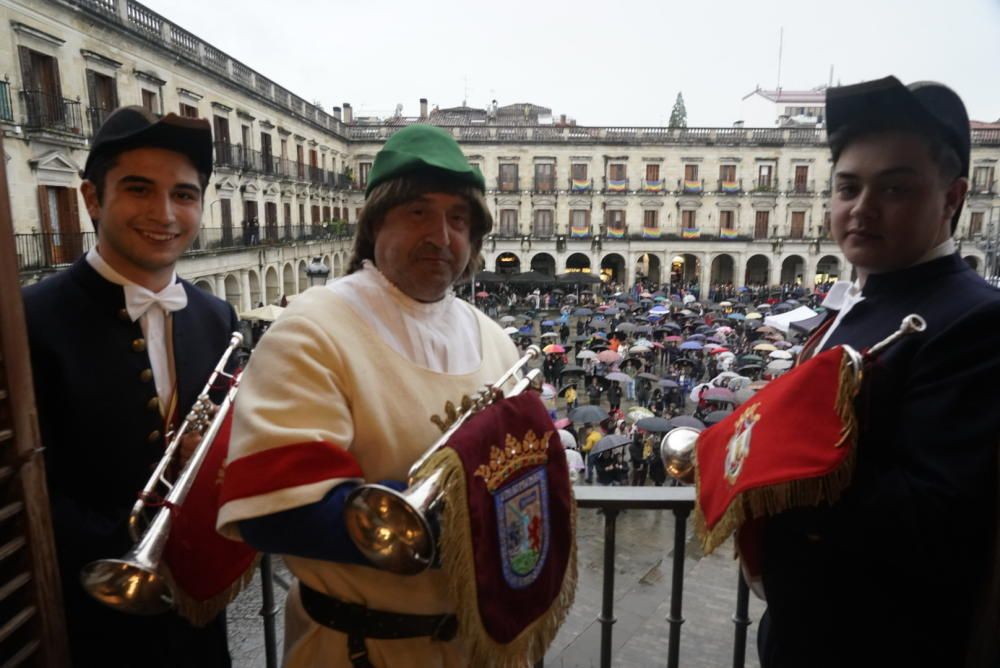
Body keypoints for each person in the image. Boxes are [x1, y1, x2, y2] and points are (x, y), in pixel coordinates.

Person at [216, 124, 521, 667]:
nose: (441, 235)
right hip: (358, 650)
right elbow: (274, 511)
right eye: (418, 213)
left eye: (459, 218)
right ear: (376, 221)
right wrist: (456, 525)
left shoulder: (492, 337)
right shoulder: (313, 328)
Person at [756, 76, 1000, 668]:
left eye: (894, 188)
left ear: (952, 198)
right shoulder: (859, 305)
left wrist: (771, 460)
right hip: (803, 634)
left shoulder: (975, 321)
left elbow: (936, 517)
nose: (861, 209)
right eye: (848, 187)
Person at [22, 106, 237, 666]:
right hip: (88, 619)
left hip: (195, 614)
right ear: (93, 198)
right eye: (139, 189)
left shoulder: (216, 317)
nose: (165, 213)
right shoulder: (29, 320)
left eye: (185, 195)